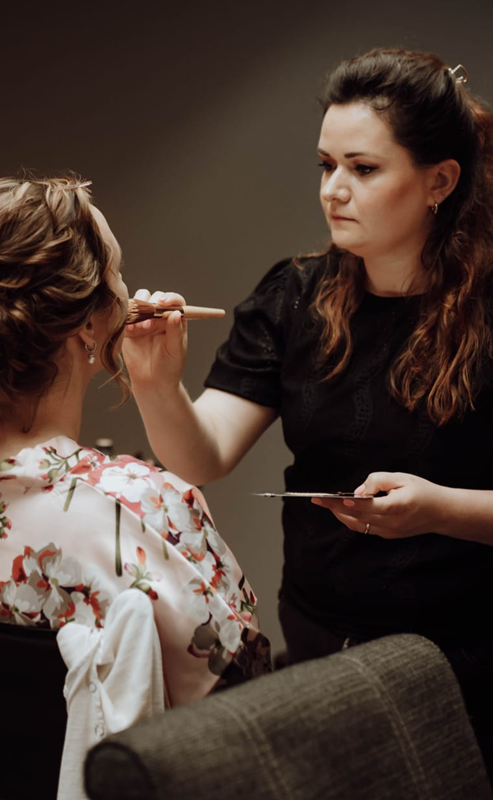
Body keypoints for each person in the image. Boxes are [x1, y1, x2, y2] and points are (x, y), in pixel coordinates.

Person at [125, 47, 493, 775]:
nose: (334, 190)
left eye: (363, 168)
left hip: (466, 656)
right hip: (324, 638)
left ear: (440, 181)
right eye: (326, 166)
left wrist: (442, 510)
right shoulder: (296, 295)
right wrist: (157, 383)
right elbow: (204, 456)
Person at [0, 176, 270, 799]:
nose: (127, 290)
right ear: (90, 326)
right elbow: (241, 695)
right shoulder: (135, 508)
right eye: (117, 275)